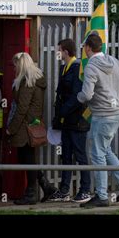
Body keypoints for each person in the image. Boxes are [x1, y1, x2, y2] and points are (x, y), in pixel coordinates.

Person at [77, 33, 119, 208]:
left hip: (102, 114)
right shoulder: (115, 62)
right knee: (106, 150)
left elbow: (87, 94)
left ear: (88, 47)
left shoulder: (91, 67)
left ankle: (101, 196)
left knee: (97, 154)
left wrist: (78, 97)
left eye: (84, 47)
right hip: (116, 112)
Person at [7, 52, 57, 205]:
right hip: (32, 124)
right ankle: (46, 187)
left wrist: (12, 128)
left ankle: (31, 194)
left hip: (25, 127)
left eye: (16, 64)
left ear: (21, 64)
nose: (14, 68)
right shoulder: (35, 80)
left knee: (27, 159)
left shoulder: (27, 82)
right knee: (27, 159)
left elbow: (22, 108)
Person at [47, 38, 91, 204]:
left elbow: (77, 96)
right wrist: (58, 116)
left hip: (78, 120)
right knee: (65, 155)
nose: (58, 53)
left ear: (66, 51)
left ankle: (85, 189)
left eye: (60, 50)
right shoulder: (63, 68)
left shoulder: (77, 68)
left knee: (80, 155)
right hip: (65, 120)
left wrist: (64, 111)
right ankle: (64, 190)